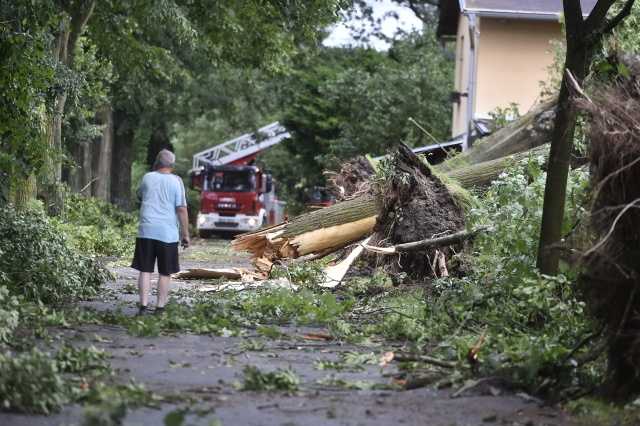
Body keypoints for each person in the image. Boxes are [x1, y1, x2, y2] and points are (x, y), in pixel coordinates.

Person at [131, 149, 190, 315]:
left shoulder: (147, 178)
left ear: (157, 162)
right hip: (167, 234)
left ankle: (142, 306)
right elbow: (182, 209)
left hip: (146, 231)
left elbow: (140, 196)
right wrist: (185, 234)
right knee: (165, 272)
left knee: (145, 270)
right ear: (172, 164)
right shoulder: (176, 181)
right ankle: (160, 308)